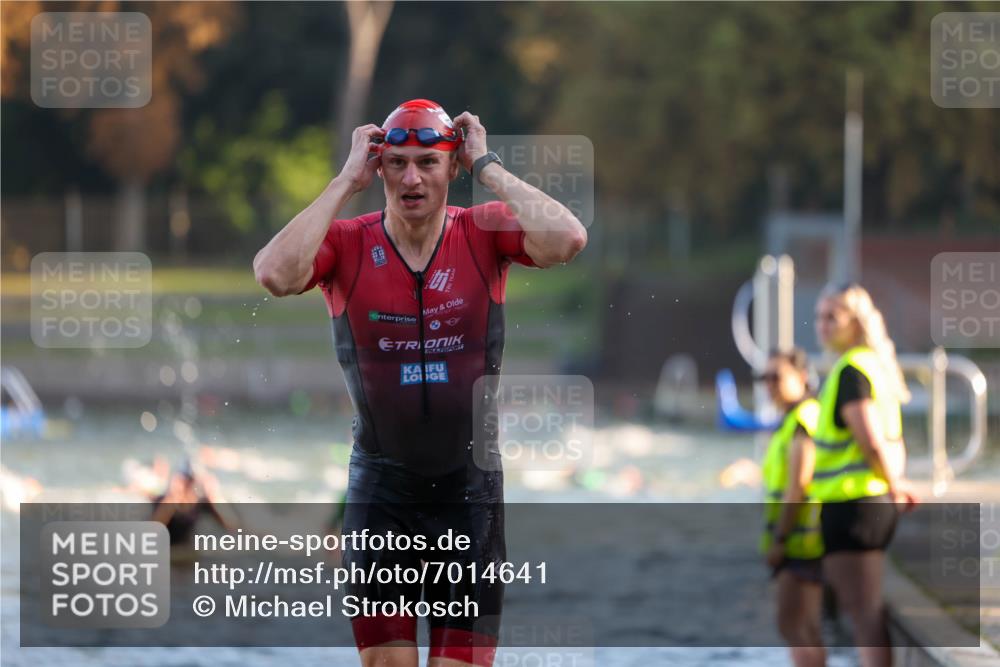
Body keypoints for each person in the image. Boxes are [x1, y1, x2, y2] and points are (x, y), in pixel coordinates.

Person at [253, 99, 587, 667]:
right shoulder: (348, 243)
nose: (412, 178)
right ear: (379, 169)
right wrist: (343, 181)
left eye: (428, 163)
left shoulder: (483, 233)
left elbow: (568, 239)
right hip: (383, 493)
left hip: (470, 494)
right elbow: (275, 273)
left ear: (451, 167)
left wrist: (489, 165)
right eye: (397, 163)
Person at [807, 283, 919, 667]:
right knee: (864, 611)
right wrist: (894, 482)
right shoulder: (874, 366)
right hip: (866, 504)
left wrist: (895, 484)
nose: (821, 325)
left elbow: (871, 440)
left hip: (853, 507)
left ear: (854, 323)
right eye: (819, 316)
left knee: (864, 613)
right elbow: (894, 439)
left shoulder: (852, 372)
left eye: (831, 317)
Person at [758, 348, 824, 667]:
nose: (768, 384)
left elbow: (798, 486)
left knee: (791, 623)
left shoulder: (803, 420)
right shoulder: (791, 420)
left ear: (801, 377)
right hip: (800, 541)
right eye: (764, 377)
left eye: (776, 377)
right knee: (804, 626)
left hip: (802, 543)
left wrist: (780, 540)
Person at [150, 458, 237, 546]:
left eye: (192, 483)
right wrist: (172, 498)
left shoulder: (199, 503)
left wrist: (213, 495)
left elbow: (230, 525)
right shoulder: (163, 501)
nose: (189, 488)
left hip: (186, 550)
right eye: (186, 483)